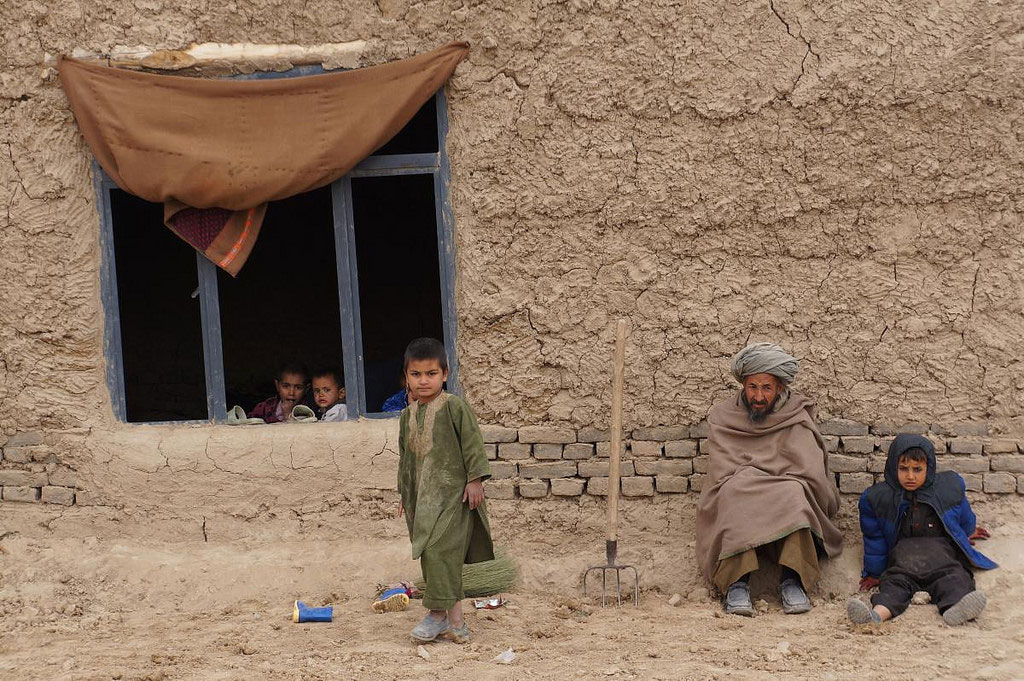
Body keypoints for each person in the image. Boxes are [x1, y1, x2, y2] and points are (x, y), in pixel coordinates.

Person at [695, 342, 842, 616]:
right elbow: (722, 469)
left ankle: (792, 580)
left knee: (796, 494)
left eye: (766, 388)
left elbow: (808, 468)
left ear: (780, 388)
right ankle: (737, 584)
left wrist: (768, 475)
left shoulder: (795, 415)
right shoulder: (725, 416)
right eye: (753, 387)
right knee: (732, 493)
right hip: (741, 484)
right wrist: (752, 474)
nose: (759, 396)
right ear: (743, 386)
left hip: (785, 484)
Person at [397, 337, 493, 644]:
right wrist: (404, 493)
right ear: (406, 377)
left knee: (442, 553)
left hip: (455, 498)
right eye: (416, 374)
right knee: (431, 555)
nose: (423, 381)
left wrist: (475, 479)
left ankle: (436, 616)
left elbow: (473, 444)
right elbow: (406, 459)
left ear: (445, 373)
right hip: (422, 503)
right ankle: (456, 622)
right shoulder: (406, 416)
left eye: (431, 373)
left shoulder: (455, 407)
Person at [847, 434, 996, 626]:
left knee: (956, 579)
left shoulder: (946, 489)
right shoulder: (879, 499)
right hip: (902, 565)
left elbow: (962, 512)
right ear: (893, 467)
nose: (910, 476)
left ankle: (955, 610)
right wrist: (874, 573)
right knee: (892, 588)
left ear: (929, 468)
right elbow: (875, 539)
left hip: (943, 562)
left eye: (917, 469)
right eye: (903, 469)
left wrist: (967, 531)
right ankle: (875, 616)